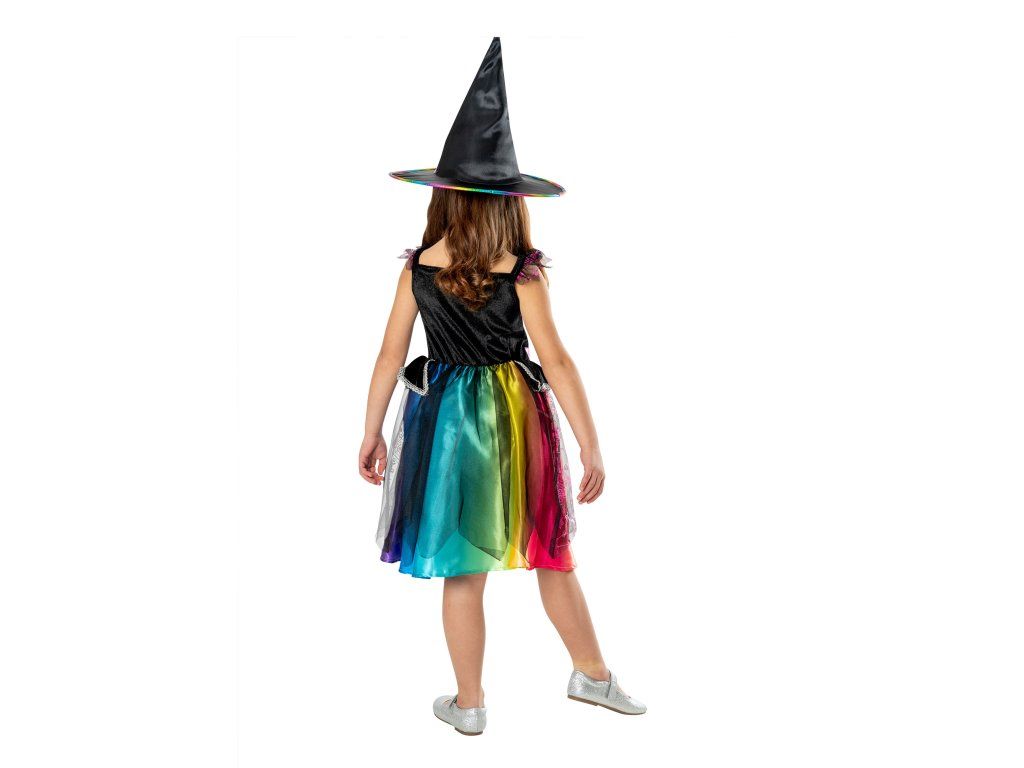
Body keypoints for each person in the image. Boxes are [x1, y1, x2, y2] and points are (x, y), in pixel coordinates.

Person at [359, 38, 645, 736]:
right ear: (509, 205)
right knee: (552, 549)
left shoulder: (418, 268)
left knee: (462, 566)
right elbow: (558, 361)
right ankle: (592, 674)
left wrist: (370, 432)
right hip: (518, 415)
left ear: (444, 199)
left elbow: (391, 354)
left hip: (446, 424)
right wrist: (590, 445)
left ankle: (470, 703)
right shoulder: (522, 270)